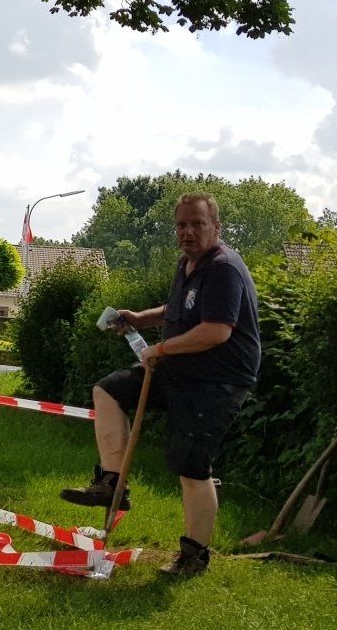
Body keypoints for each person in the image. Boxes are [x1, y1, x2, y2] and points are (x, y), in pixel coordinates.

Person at [59, 192, 261, 578]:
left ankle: (194, 556)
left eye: (197, 224)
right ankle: (112, 483)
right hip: (179, 369)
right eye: (182, 225)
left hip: (216, 381)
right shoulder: (187, 264)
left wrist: (162, 348)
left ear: (216, 227)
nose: (188, 232)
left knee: (191, 465)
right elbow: (180, 310)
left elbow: (216, 330)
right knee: (109, 390)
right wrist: (141, 318)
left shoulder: (223, 269)